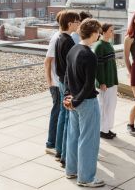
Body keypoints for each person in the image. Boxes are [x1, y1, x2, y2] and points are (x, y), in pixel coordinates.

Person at [63, 18, 105, 187]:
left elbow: (66, 76)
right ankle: (86, 178)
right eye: (99, 33)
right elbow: (89, 84)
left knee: (73, 137)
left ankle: (71, 170)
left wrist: (68, 97)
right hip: (86, 102)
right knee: (89, 140)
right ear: (93, 33)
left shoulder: (73, 50)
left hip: (73, 100)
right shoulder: (89, 54)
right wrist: (77, 101)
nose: (99, 36)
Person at [54, 10, 81, 166]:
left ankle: (59, 151)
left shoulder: (59, 38)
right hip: (66, 82)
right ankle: (65, 156)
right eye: (77, 22)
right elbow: (71, 66)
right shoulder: (69, 41)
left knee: (63, 117)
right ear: (70, 23)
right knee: (67, 119)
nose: (78, 24)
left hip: (61, 80)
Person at [44, 10, 67, 154]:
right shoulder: (56, 38)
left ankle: (55, 142)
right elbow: (47, 62)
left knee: (59, 112)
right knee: (57, 112)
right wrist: (50, 82)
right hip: (56, 83)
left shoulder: (61, 37)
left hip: (59, 82)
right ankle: (51, 143)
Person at [92, 23, 118, 139]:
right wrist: (101, 82)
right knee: (104, 107)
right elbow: (98, 67)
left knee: (111, 106)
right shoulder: (99, 46)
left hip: (112, 82)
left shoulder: (109, 44)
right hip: (105, 84)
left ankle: (107, 128)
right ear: (104, 31)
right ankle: (102, 130)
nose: (113, 32)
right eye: (111, 30)